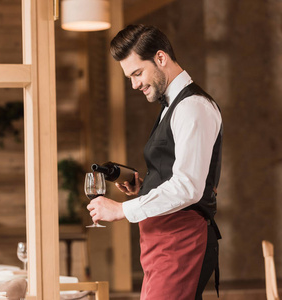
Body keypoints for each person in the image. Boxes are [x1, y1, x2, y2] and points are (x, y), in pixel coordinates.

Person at [87, 24, 223, 300]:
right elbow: (176, 172)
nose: (135, 84)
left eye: (137, 73)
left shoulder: (192, 107)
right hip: (163, 242)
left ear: (161, 58)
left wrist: (122, 210)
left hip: (181, 241)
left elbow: (188, 188)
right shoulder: (172, 106)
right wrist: (147, 186)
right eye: (130, 77)